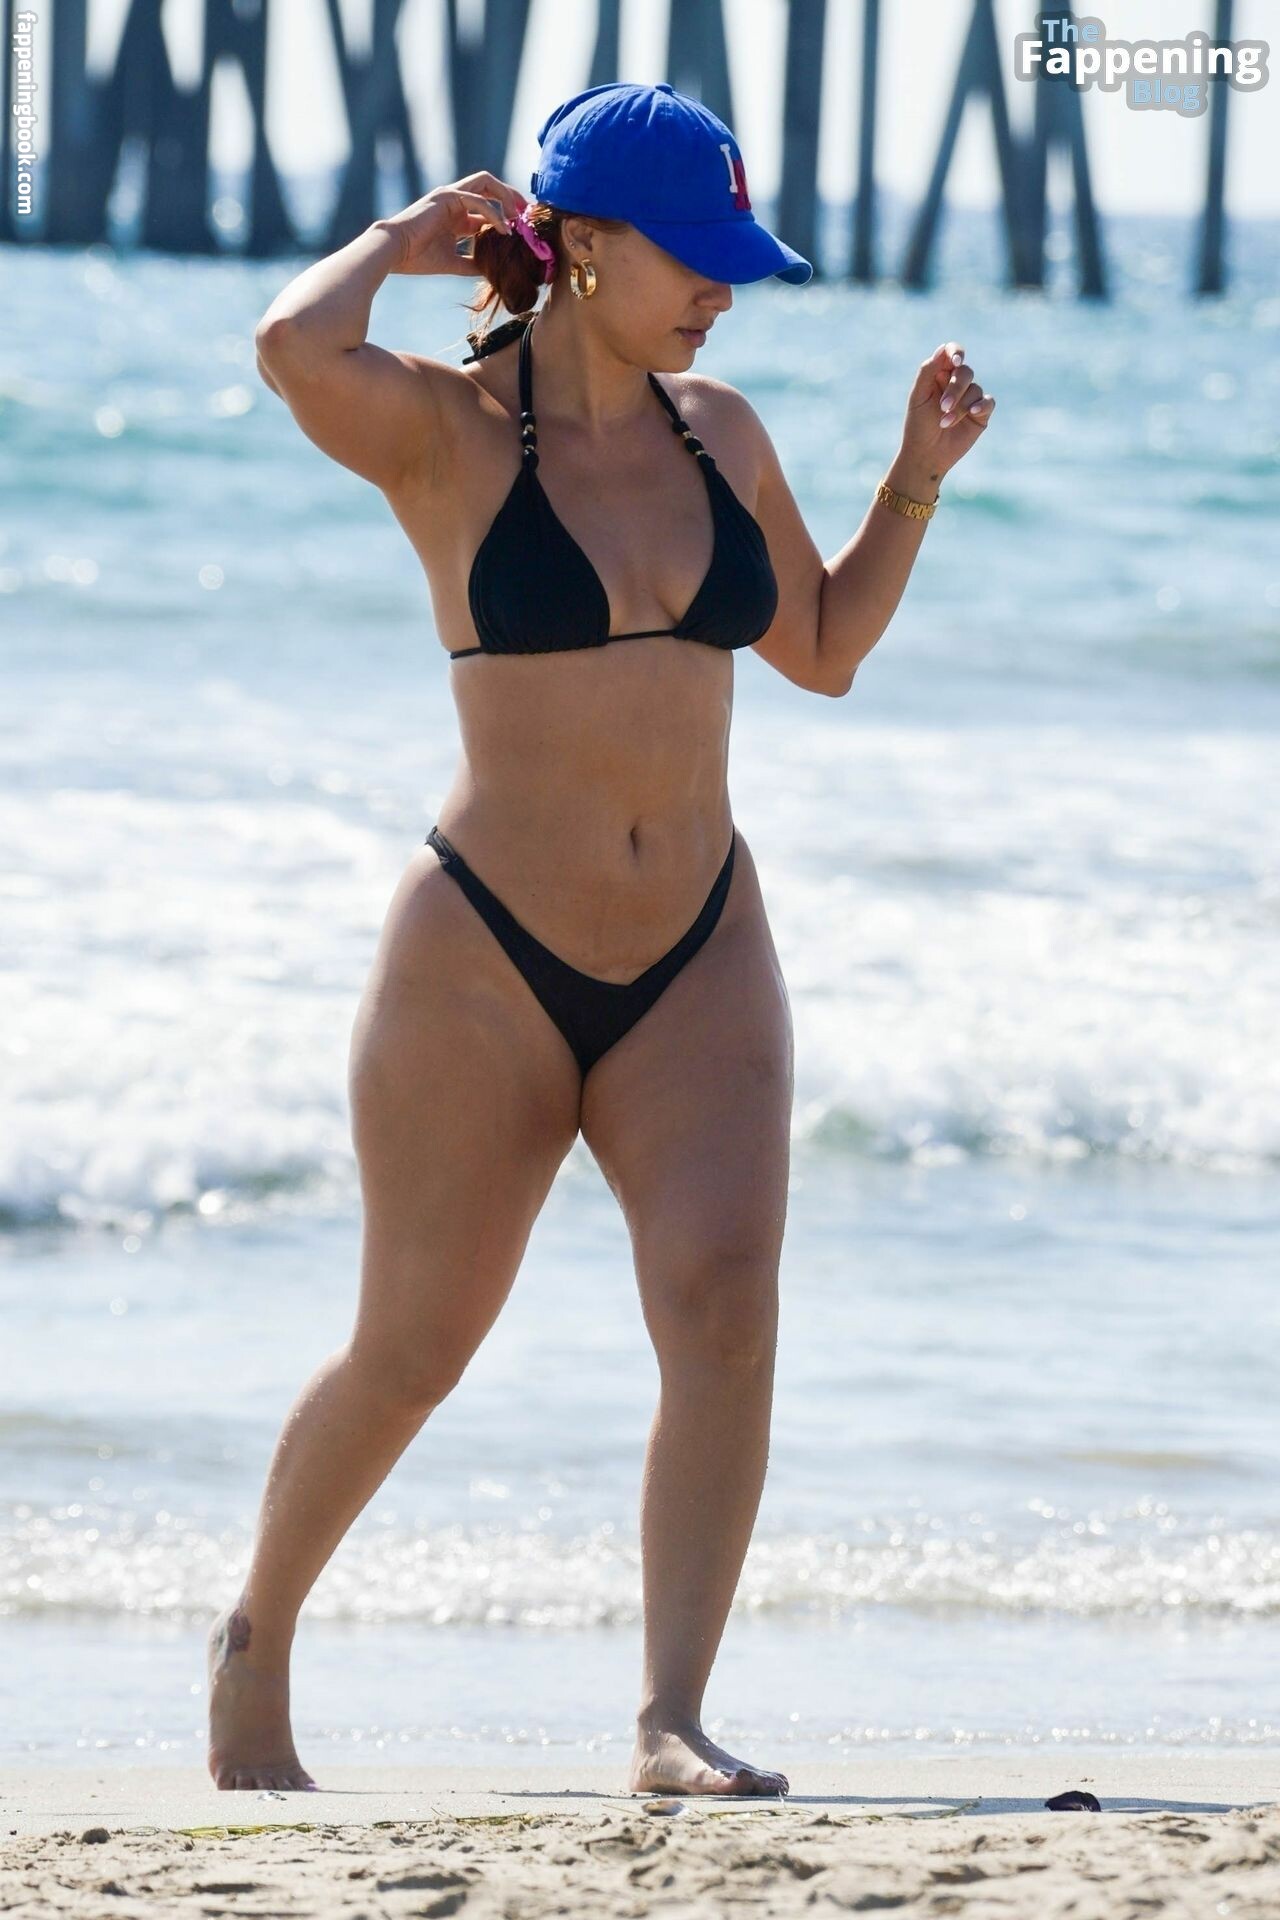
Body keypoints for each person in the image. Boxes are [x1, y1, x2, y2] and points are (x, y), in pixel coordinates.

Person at [209, 79, 995, 1798]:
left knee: (726, 1313)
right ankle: (256, 1637)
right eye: (693, 255)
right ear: (579, 246)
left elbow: (821, 647)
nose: (722, 289)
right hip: (484, 957)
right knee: (414, 1348)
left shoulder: (724, 432)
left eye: (734, 259)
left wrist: (912, 482)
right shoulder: (449, 432)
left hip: (700, 946)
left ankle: (670, 1716)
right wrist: (409, 240)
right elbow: (286, 346)